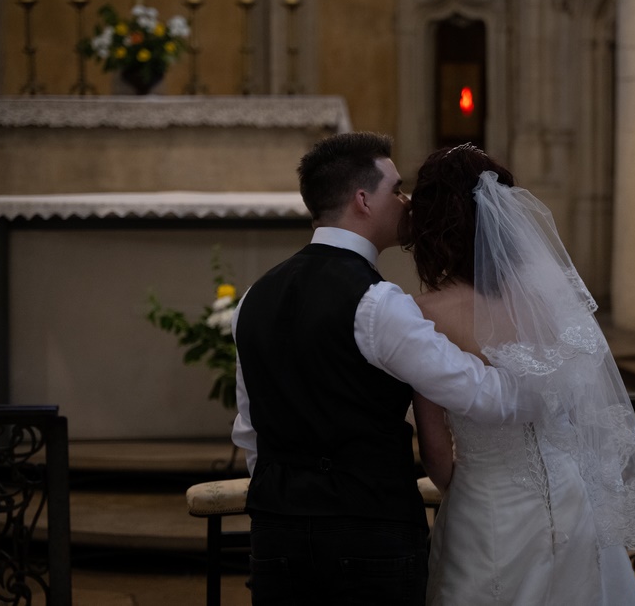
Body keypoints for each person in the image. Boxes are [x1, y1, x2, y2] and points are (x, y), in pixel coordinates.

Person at [230, 132, 541, 605]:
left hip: (275, 533)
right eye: (395, 189)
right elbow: (483, 394)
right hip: (368, 533)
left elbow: (251, 429)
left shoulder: (255, 296)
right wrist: (553, 377)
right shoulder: (378, 305)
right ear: (363, 200)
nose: (407, 201)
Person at [407, 144, 635, 606]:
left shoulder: (426, 313)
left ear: (432, 226)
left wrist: (477, 480)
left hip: (488, 506)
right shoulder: (547, 300)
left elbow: (435, 452)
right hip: (573, 495)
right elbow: (578, 407)